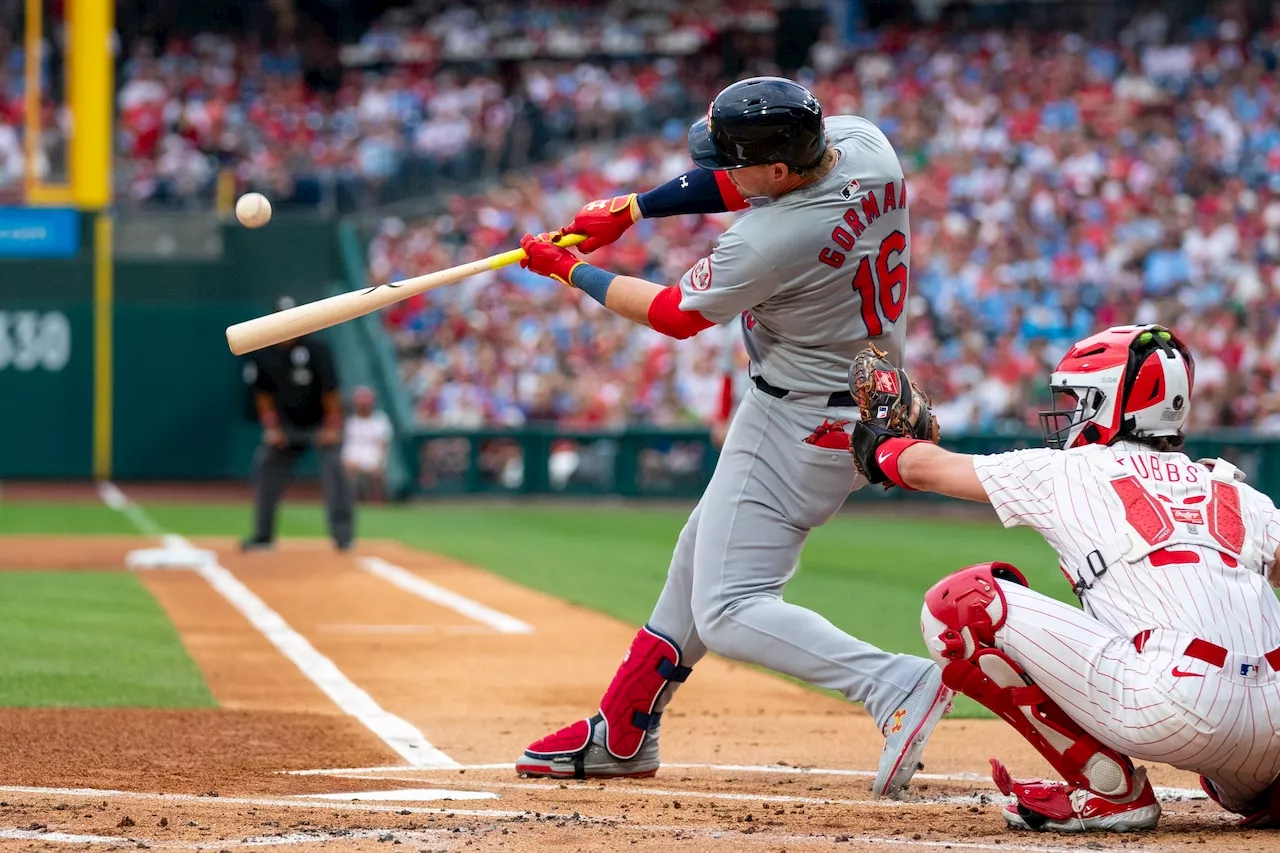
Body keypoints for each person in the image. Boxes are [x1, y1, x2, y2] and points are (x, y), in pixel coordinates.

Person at [511, 76, 952, 797]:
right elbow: (747, 186)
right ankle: (622, 730)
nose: (721, 168)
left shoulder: (773, 237)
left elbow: (676, 313)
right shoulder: (864, 144)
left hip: (804, 417)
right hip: (824, 398)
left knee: (729, 607)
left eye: (733, 159)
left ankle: (895, 683)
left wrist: (570, 270)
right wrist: (633, 209)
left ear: (777, 169)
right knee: (698, 560)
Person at [847, 324, 1280, 832]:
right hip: (1273, 728)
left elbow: (925, 469)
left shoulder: (1071, 470)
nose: (1070, 413)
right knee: (1235, 766)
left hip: (1170, 710)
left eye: (1080, 399)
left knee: (959, 607)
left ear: (1108, 404)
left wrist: (881, 441)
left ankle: (1110, 791)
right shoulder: (1233, 486)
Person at [242, 302, 354, 552]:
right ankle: (263, 535)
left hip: (321, 421)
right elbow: (263, 396)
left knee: (336, 469)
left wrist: (333, 427)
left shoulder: (317, 349)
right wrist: (272, 428)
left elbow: (331, 392)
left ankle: (343, 537)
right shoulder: (264, 352)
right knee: (266, 465)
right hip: (287, 425)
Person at [342, 385, 394, 503]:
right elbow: (344, 447)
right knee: (347, 472)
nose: (363, 406)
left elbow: (383, 446)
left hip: (373, 462)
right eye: (361, 403)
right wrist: (347, 462)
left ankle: (380, 504)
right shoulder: (349, 421)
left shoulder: (380, 420)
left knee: (379, 476)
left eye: (366, 403)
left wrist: (379, 465)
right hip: (352, 461)